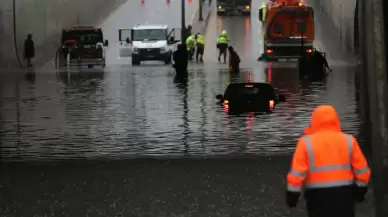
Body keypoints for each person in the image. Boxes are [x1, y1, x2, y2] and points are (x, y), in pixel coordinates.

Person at [286, 105, 371, 217]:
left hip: (317, 196)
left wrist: (293, 194)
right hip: (344, 195)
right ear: (336, 120)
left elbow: (297, 172)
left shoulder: (305, 143)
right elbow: (362, 170)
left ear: (314, 120)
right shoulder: (349, 140)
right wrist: (361, 189)